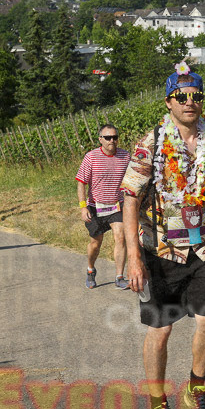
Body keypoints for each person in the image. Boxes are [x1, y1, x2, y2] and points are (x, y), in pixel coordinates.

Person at [122, 63, 205, 409]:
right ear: (169, 102)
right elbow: (129, 198)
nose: (190, 103)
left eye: (197, 96)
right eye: (182, 97)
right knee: (161, 330)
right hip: (159, 252)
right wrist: (132, 258)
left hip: (204, 249)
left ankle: (197, 386)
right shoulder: (152, 142)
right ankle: (158, 406)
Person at [76, 124, 131, 289]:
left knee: (121, 237)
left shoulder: (125, 156)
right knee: (95, 243)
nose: (112, 141)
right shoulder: (91, 157)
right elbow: (81, 183)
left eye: (115, 137)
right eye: (107, 138)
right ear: (100, 139)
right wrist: (83, 206)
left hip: (117, 206)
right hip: (95, 206)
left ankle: (119, 277)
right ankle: (90, 269)